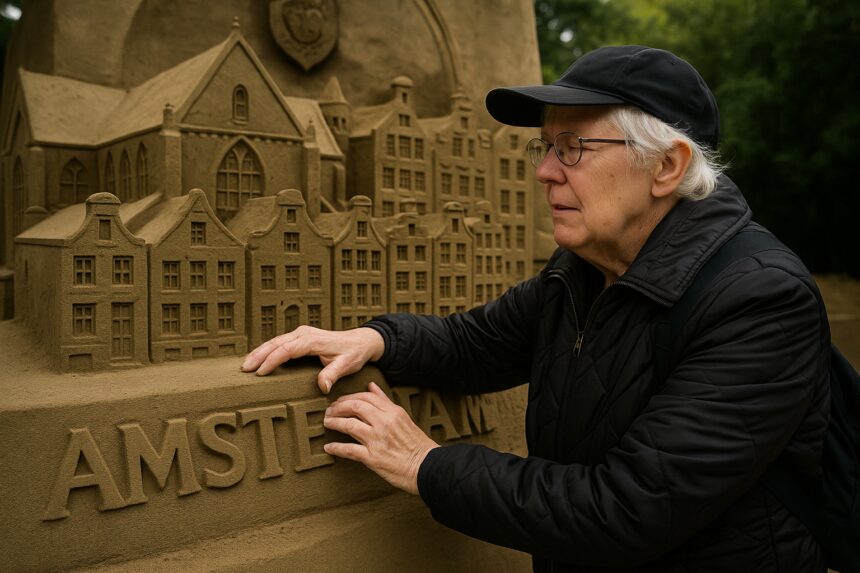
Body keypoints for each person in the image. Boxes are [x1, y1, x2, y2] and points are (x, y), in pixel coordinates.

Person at [241, 45, 831, 572]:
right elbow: (474, 345)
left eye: (572, 148)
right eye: (545, 147)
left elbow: (628, 508)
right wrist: (375, 340)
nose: (545, 172)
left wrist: (426, 464)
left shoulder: (760, 301)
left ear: (666, 167)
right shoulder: (580, 271)